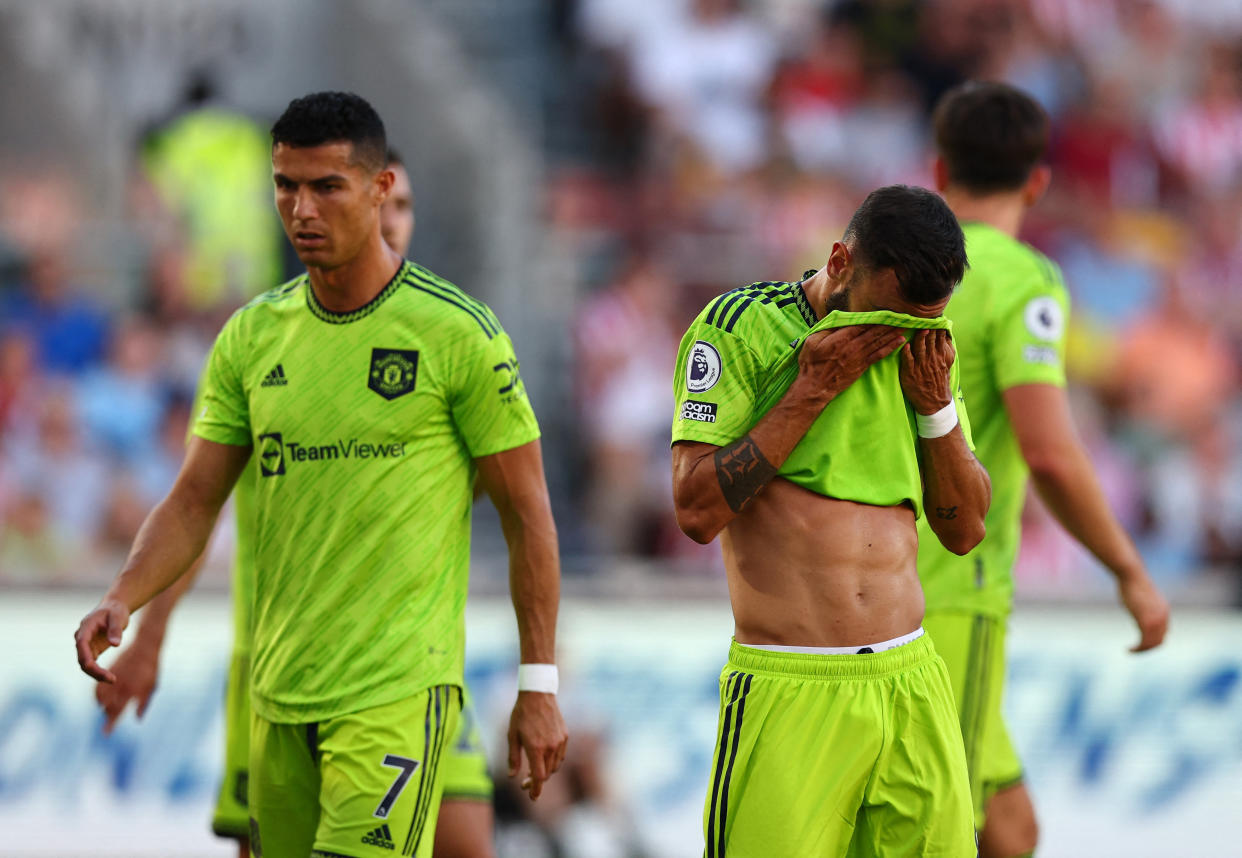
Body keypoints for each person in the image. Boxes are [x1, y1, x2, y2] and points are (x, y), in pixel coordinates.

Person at [75, 91, 568, 858]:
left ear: (379, 191)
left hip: (395, 692)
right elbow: (194, 502)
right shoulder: (251, 337)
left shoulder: (456, 334)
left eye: (325, 187)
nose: (300, 209)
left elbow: (528, 514)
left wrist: (539, 683)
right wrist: (125, 599)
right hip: (276, 695)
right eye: (284, 187)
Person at [671, 184, 991, 856]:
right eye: (892, 315)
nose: (902, 333)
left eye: (922, 320)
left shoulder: (927, 343)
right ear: (841, 262)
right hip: (793, 688)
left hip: (911, 685)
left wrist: (936, 409)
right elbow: (696, 509)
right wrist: (811, 390)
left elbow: (964, 531)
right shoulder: (739, 327)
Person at [922, 80, 1170, 858]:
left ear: (939, 172)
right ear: (1038, 181)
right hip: (951, 589)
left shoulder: (897, 267)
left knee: (1009, 829)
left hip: (878, 576)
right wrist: (1128, 569)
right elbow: (1051, 453)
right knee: (943, 833)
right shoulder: (1024, 280)